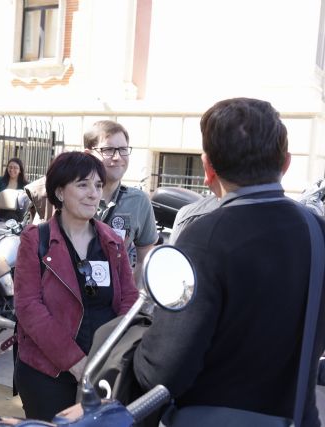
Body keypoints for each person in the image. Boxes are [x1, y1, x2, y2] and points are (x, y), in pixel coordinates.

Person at [133, 98, 325, 426]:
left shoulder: (204, 236)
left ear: (208, 169)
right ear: (286, 163)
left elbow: (165, 371)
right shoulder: (317, 230)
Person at [13, 151, 138, 421]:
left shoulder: (112, 242)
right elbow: (28, 308)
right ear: (59, 192)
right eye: (82, 185)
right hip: (48, 374)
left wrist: (110, 356)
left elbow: (129, 299)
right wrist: (75, 362)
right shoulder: (36, 240)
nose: (93, 193)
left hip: (102, 370)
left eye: (97, 185)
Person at [84, 121, 158, 285]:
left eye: (123, 149)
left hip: (113, 306)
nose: (118, 157)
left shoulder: (139, 202)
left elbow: (143, 259)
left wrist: (129, 302)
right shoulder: (70, 196)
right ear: (88, 155)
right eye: (108, 150)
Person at [0, 157, 29, 223]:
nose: (12, 170)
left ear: (20, 170)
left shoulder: (25, 185)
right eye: (10, 167)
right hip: (0, 218)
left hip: (18, 220)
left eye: (15, 168)